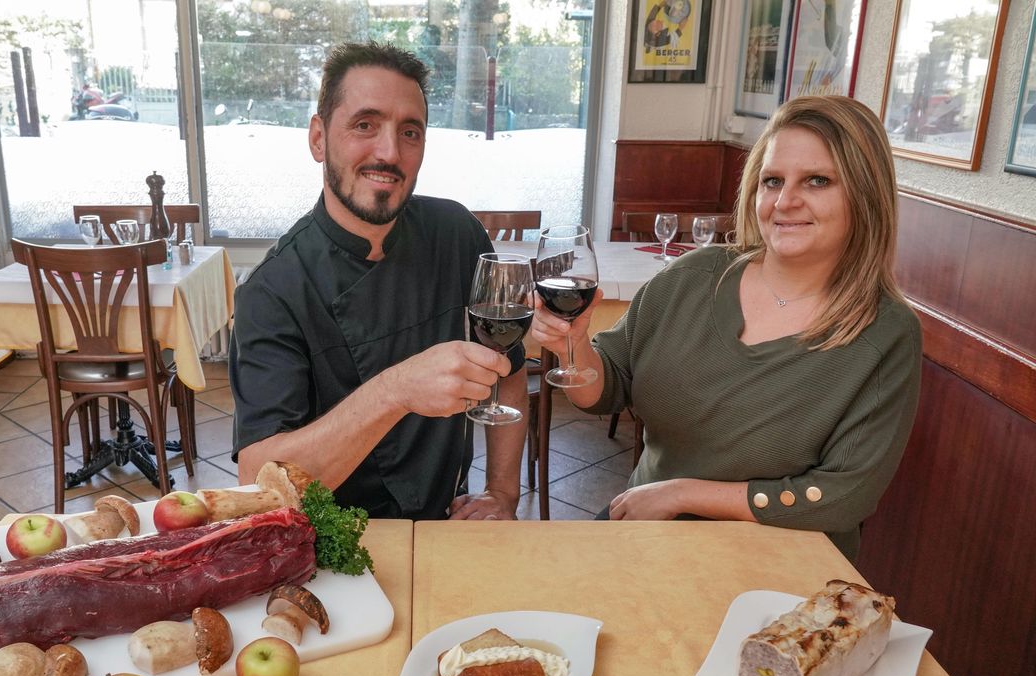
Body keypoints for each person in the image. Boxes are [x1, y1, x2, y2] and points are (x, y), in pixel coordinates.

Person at [530, 95, 921, 561]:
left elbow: (843, 496)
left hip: (778, 567)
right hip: (647, 536)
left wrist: (681, 494)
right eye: (772, 180)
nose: (785, 201)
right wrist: (575, 350)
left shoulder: (885, 333)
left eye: (818, 181)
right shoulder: (695, 276)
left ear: (865, 193)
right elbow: (608, 387)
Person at [230, 42, 527, 521]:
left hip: (447, 524)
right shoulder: (273, 289)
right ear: (318, 139)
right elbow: (259, 477)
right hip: (331, 542)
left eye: (410, 132)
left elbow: (508, 372)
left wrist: (502, 493)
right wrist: (395, 391)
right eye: (365, 125)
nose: (390, 152)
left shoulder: (457, 233)